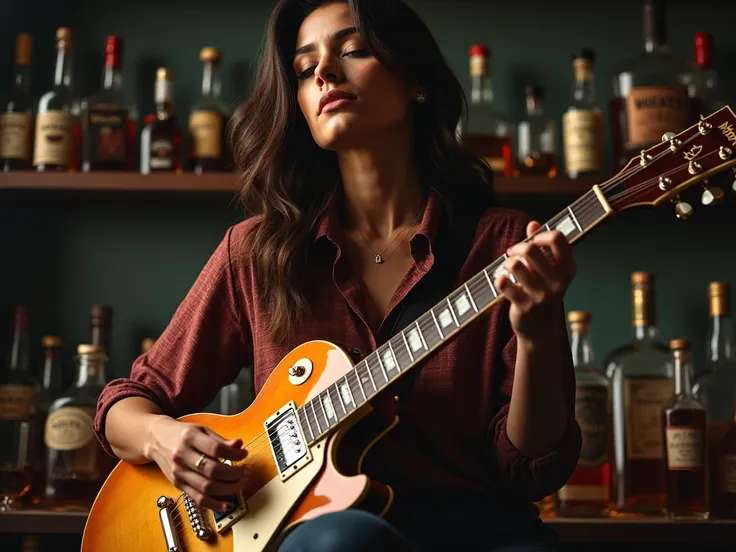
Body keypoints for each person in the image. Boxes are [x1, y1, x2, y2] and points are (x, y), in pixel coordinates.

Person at [93, 1, 582, 550]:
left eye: (353, 50)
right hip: (312, 535)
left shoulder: (502, 247)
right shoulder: (256, 253)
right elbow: (127, 402)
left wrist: (537, 330)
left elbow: (532, 465)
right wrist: (163, 438)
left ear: (416, 78)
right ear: (300, 105)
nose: (325, 73)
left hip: (474, 530)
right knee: (344, 539)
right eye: (305, 70)